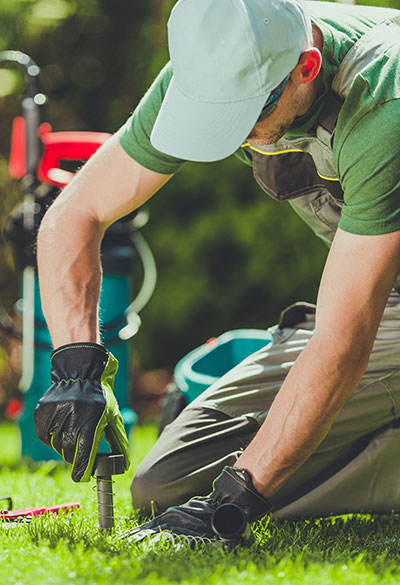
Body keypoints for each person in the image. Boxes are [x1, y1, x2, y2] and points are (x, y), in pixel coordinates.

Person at [34, 0, 400, 544]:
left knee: (237, 488)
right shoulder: (212, 66)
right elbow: (75, 215)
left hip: (369, 320)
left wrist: (236, 500)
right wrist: (76, 368)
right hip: (385, 302)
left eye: (247, 115)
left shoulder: (383, 99)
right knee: (165, 485)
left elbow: (343, 342)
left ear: (307, 67)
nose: (233, 135)